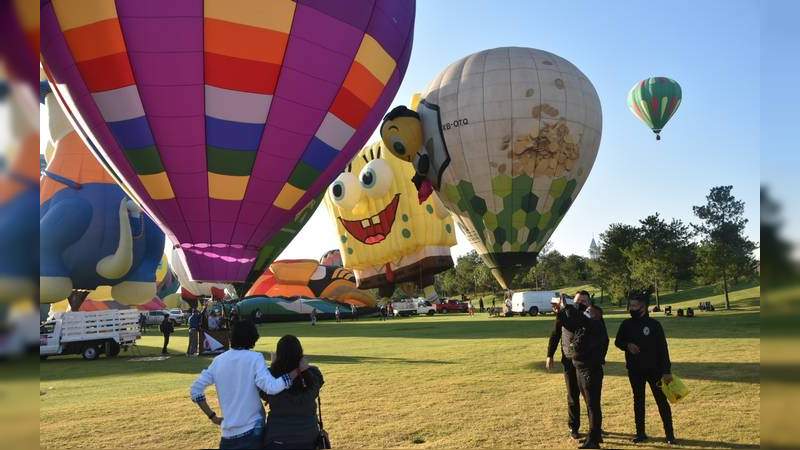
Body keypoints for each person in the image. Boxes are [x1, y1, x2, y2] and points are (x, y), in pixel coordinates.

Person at [190, 321, 309, 450]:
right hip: (252, 431)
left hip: (227, 435)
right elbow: (271, 387)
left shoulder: (218, 361)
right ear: (252, 338)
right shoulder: (254, 358)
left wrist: (212, 416)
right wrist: (296, 371)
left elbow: (196, 390)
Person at [615, 289, 677, 445]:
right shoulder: (626, 324)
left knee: (661, 401)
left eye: (634, 306)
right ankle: (641, 433)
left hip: (655, 370)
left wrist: (666, 371)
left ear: (643, 307)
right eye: (630, 305)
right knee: (638, 401)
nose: (631, 309)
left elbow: (663, 349)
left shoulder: (654, 325)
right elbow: (618, 341)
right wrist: (627, 345)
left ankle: (670, 435)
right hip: (635, 370)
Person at [561, 290, 608, 449]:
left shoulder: (594, 324)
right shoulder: (585, 324)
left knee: (592, 405)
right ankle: (594, 436)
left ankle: (594, 439)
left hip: (590, 370)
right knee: (590, 404)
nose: (585, 311)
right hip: (580, 369)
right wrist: (562, 310)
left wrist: (568, 307)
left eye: (588, 310)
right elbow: (569, 324)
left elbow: (582, 321)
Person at [263, 335, 325, 449]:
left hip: (277, 437)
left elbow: (265, 394)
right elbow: (315, 386)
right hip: (307, 436)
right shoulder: (313, 373)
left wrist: (273, 366)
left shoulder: (270, 376)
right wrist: (303, 371)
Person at [546, 295, 581, 440]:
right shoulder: (563, 316)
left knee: (590, 397)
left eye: (583, 301)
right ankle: (574, 427)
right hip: (568, 360)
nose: (580, 303)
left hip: (587, 362)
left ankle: (595, 427)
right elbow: (555, 335)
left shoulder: (591, 316)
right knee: (572, 394)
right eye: (578, 301)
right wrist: (550, 355)